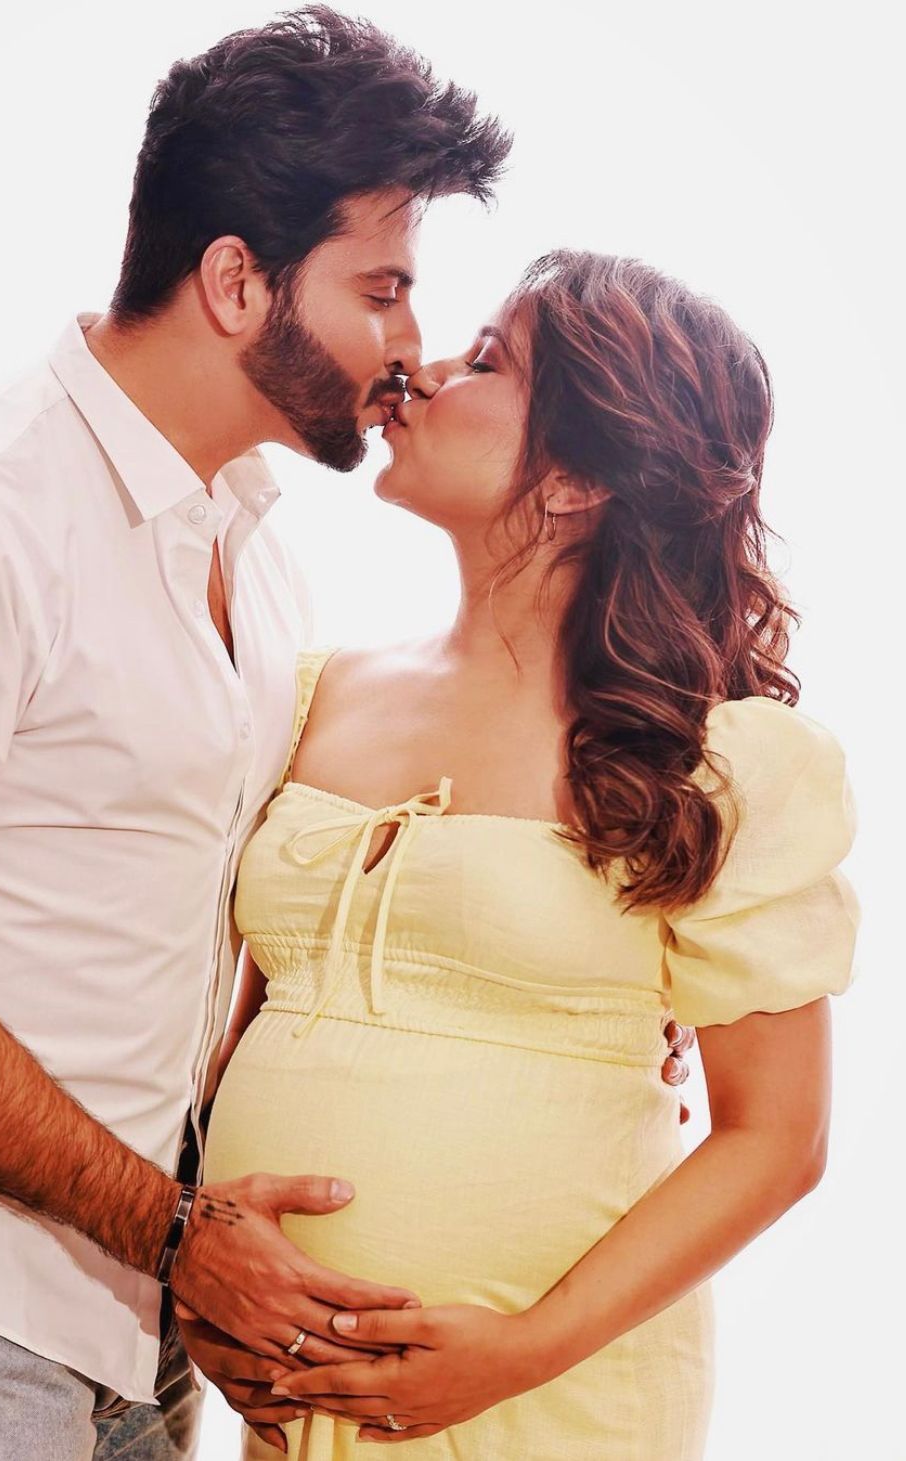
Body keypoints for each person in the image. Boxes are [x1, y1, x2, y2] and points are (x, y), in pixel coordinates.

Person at [0, 10, 512, 1458]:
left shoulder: (255, 554)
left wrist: (589, 965)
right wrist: (170, 1230)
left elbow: (264, 885)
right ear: (235, 281)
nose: (410, 346)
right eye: (381, 289)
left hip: (144, 1309)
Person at [188, 249, 860, 1458]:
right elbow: (241, 1032)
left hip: (553, 1405)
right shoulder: (312, 693)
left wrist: (524, 1350)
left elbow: (778, 1138)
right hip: (293, 1406)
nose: (423, 368)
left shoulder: (716, 761)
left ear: (578, 478)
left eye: (488, 360)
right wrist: (207, 1258)